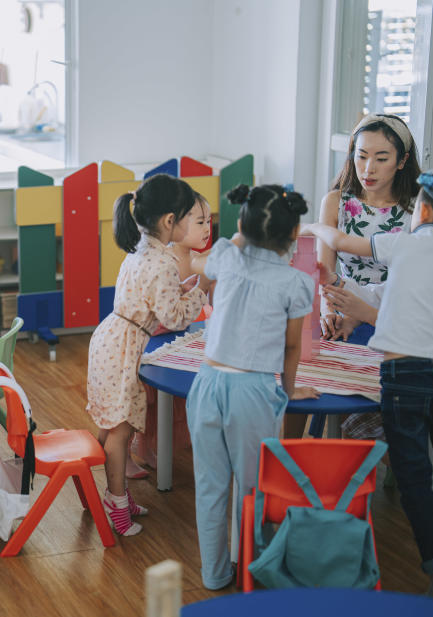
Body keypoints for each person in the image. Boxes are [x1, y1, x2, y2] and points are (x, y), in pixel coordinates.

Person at [301, 166, 433, 599]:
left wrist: (316, 225)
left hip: (402, 376)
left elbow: (341, 241)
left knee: (412, 474)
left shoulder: (401, 244)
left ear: (421, 209)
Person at [187, 184, 317, 589]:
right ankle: (247, 571)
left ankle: (213, 575)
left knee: (210, 487)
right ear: (294, 234)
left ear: (241, 224)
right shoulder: (296, 282)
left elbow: (217, 255)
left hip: (206, 383)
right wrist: (291, 390)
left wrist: (245, 225)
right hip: (252, 391)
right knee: (250, 487)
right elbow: (292, 347)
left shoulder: (226, 255)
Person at [86, 174, 209, 536]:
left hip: (110, 339)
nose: (194, 223)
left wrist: (183, 290)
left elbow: (156, 299)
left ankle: (108, 492)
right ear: (171, 220)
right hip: (122, 349)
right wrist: (202, 289)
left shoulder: (142, 248)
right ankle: (116, 504)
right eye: (191, 216)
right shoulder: (164, 262)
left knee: (110, 424)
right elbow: (173, 316)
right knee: (120, 432)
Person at [287, 113, 422, 440]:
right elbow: (323, 270)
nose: (368, 169)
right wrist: (329, 310)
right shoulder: (336, 201)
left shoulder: (417, 207)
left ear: (402, 161)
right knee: (300, 365)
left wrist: (362, 316)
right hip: (341, 305)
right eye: (361, 156)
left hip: (390, 316)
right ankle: (285, 456)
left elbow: (414, 283)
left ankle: (349, 462)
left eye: (381, 158)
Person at [130, 192, 213, 478]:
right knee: (146, 399)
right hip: (152, 337)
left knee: (170, 396)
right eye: (199, 222)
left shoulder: (198, 259)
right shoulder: (168, 260)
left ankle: (151, 445)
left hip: (174, 335)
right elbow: (172, 310)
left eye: (209, 222)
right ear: (174, 227)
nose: (207, 229)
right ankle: (140, 445)